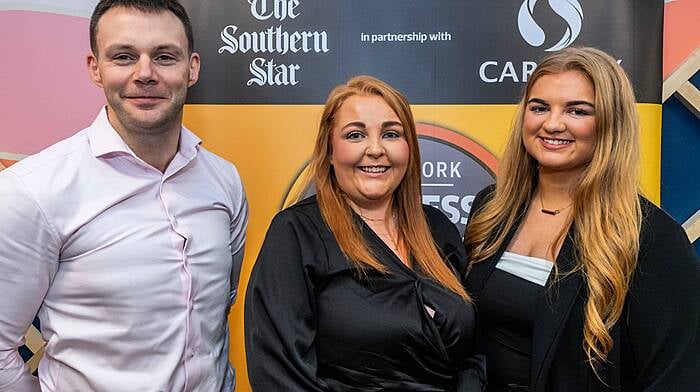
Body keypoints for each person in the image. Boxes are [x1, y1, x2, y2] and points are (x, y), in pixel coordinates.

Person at [0, 1, 248, 391]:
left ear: (193, 68)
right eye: (123, 56)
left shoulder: (224, 181)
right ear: (95, 68)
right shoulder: (34, 191)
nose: (144, 74)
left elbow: (219, 309)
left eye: (165, 56)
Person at [463, 47, 700, 391]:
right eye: (540, 107)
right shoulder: (492, 209)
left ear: (609, 122)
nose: (552, 123)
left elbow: (676, 377)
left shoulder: (650, 238)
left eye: (577, 110)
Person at [245, 75, 486, 391]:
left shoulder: (438, 229)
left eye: (391, 134)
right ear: (330, 151)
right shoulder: (296, 233)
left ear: (409, 149)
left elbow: (472, 354)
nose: (375, 149)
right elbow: (279, 373)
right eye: (356, 135)